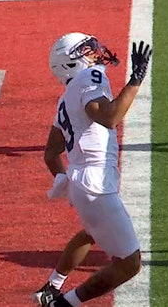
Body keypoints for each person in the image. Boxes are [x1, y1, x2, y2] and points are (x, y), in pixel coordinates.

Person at [32, 34, 150, 307]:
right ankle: (65, 303)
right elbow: (109, 117)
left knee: (91, 232)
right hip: (95, 181)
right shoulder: (90, 78)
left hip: (83, 180)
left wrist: (66, 180)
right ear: (70, 63)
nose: (96, 52)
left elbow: (51, 153)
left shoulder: (66, 97)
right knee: (130, 264)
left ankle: (52, 287)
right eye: (86, 50)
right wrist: (136, 80)